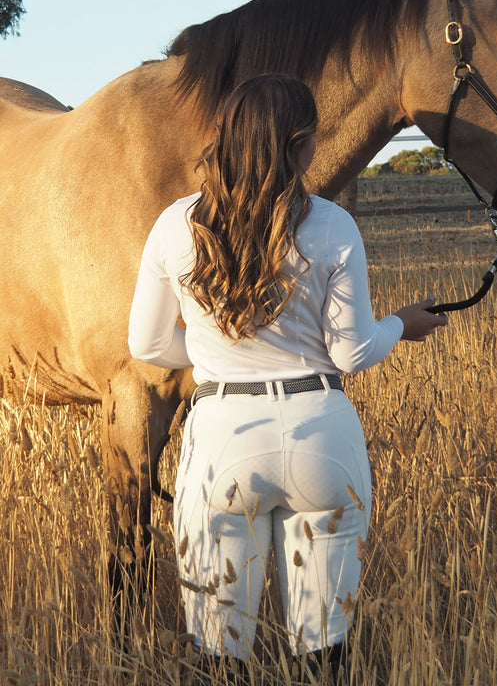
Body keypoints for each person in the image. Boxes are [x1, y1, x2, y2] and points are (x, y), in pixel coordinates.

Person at [128, 73, 447, 683]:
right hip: (322, 437)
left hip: (224, 439)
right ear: (299, 145)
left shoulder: (175, 225)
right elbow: (350, 352)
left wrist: (216, 356)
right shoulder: (332, 225)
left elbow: (145, 342)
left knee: (219, 654)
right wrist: (401, 325)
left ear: (225, 139)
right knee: (325, 653)